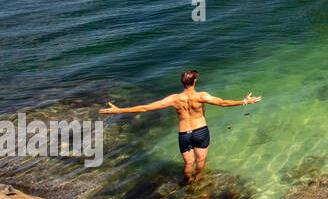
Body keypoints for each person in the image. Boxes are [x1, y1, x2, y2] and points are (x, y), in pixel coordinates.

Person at [101, 70, 261, 182]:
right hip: (200, 131)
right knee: (201, 160)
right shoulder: (201, 96)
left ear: (183, 83)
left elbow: (146, 107)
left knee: (188, 163)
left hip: (184, 134)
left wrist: (119, 110)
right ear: (195, 81)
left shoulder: (174, 99)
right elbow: (222, 103)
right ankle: (199, 180)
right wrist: (244, 101)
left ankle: (188, 180)